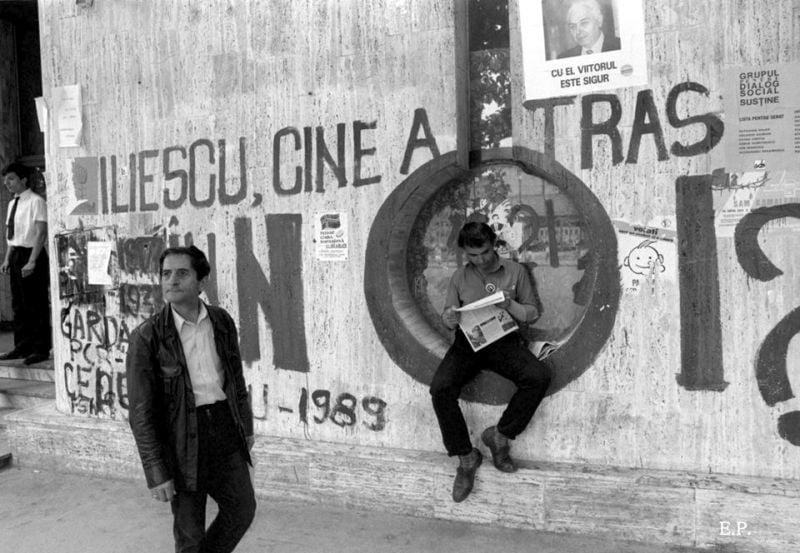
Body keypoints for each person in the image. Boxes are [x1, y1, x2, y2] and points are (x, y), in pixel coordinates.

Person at [127, 246, 256, 553]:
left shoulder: (221, 321)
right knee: (190, 533)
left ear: (201, 281)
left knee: (242, 509)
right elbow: (141, 412)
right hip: (181, 438)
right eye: (166, 274)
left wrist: (246, 428)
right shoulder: (147, 337)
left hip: (223, 428)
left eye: (182, 273)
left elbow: (236, 381)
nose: (172, 280)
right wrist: (156, 472)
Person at [430, 222, 551, 502]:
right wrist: (448, 318)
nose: (480, 260)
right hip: (468, 342)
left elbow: (531, 313)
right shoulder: (459, 277)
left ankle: (500, 435)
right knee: (440, 389)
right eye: (472, 255)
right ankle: (466, 457)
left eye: (484, 252)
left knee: (538, 376)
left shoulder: (515, 271)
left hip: (503, 339)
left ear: (493, 245)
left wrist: (509, 305)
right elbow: (449, 317)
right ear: (465, 253)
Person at [0, 162, 51, 365]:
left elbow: (40, 233)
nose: (7, 183)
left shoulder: (36, 201)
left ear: (23, 179)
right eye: (5, 180)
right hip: (16, 254)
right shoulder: (12, 204)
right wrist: (7, 259)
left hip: (32, 254)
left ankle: (40, 348)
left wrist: (32, 261)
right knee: (19, 304)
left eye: (11, 179)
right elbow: (12, 235)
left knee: (35, 303)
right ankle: (22, 346)